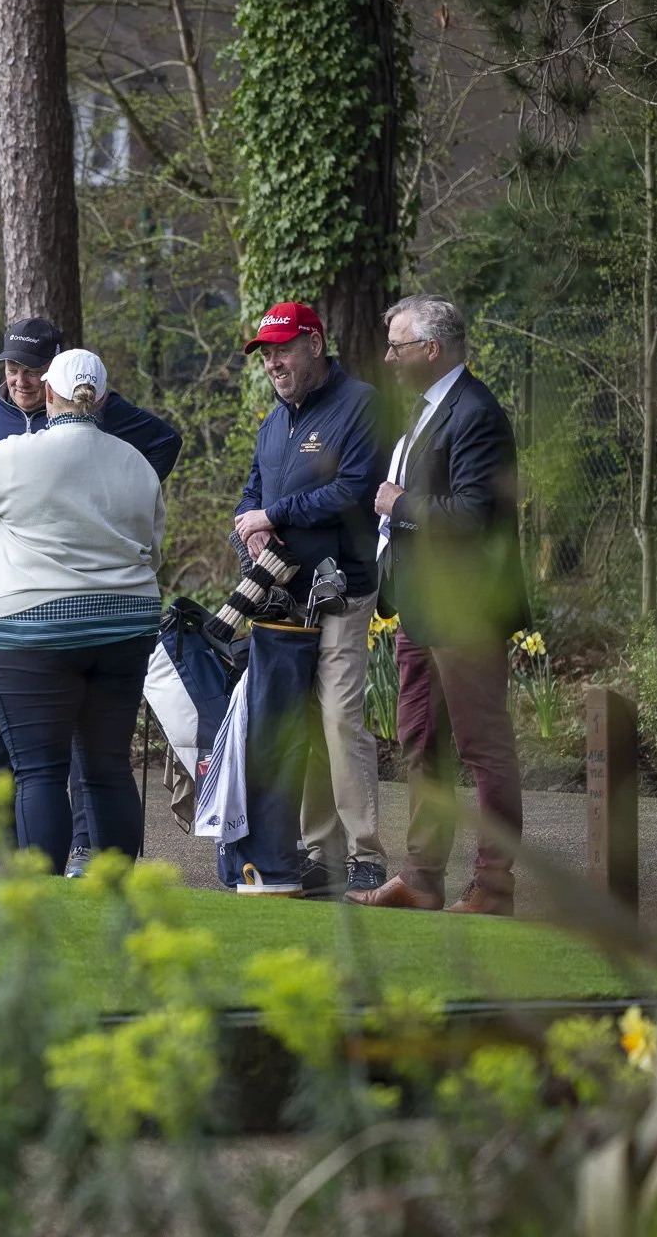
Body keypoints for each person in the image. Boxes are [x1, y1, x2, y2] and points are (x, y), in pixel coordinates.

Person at [0, 317, 182, 876]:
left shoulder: (13, 454)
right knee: (109, 767)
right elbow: (152, 547)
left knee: (40, 772)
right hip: (125, 626)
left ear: (49, 392)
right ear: (103, 399)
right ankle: (115, 890)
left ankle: (45, 894)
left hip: (35, 628)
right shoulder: (137, 464)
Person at [349, 295, 529, 916]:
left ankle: (494, 887)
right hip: (421, 609)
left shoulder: (476, 412)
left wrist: (398, 505)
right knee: (420, 741)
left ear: (431, 349)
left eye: (397, 347)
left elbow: (474, 515)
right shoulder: (431, 410)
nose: (389, 358)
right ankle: (422, 880)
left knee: (483, 749)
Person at [233, 301, 386, 899]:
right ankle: (321, 852)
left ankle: (366, 855)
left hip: (343, 589)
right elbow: (251, 494)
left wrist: (275, 514)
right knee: (302, 723)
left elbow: (355, 490)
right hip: (286, 599)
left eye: (284, 350)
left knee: (340, 719)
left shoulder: (359, 405)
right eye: (266, 355)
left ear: (315, 345)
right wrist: (250, 526)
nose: (274, 363)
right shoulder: (273, 424)